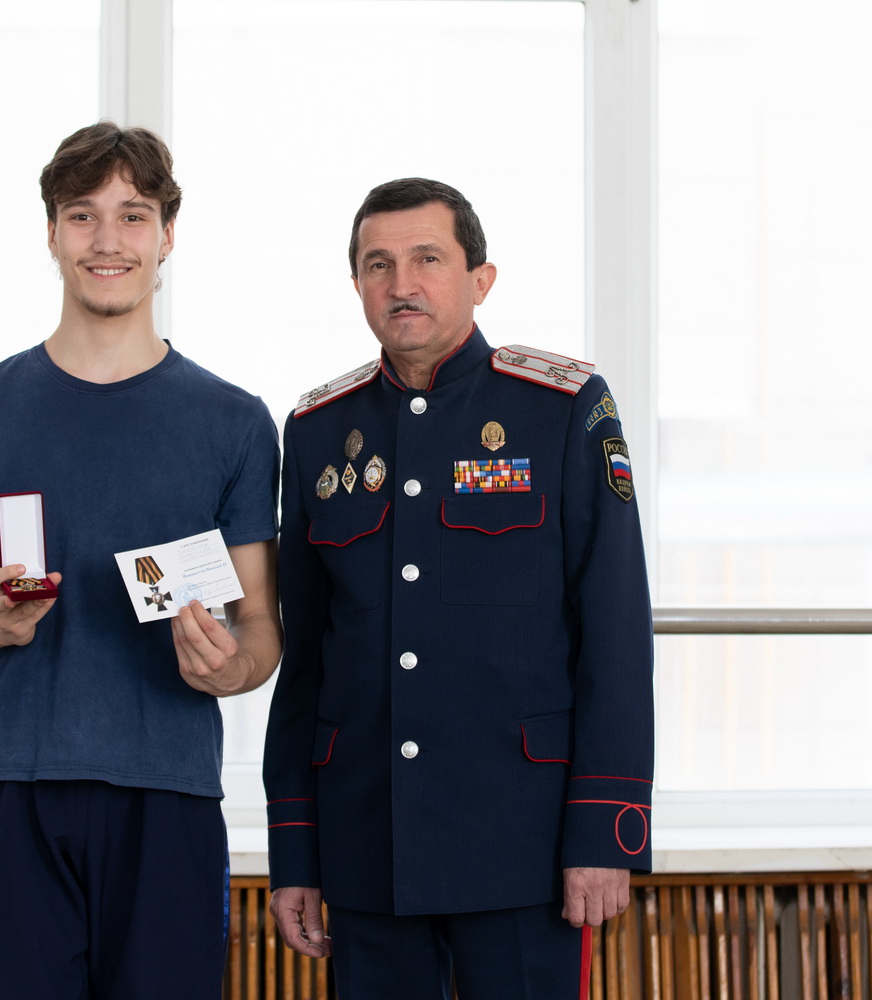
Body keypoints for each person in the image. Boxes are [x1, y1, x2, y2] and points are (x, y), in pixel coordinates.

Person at [0, 122, 282, 999]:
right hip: (11, 787)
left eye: (133, 215)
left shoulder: (234, 422)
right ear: (52, 233)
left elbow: (259, 624)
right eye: (82, 215)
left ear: (167, 236)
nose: (108, 240)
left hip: (169, 790)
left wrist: (230, 670)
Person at [263, 178, 653, 999]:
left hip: (523, 843)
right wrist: (296, 845)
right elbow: (307, 663)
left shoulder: (563, 407)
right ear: (357, 283)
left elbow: (615, 631)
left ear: (481, 279)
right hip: (368, 844)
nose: (401, 284)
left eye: (427, 259)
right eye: (378, 264)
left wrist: (605, 827)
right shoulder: (318, 432)